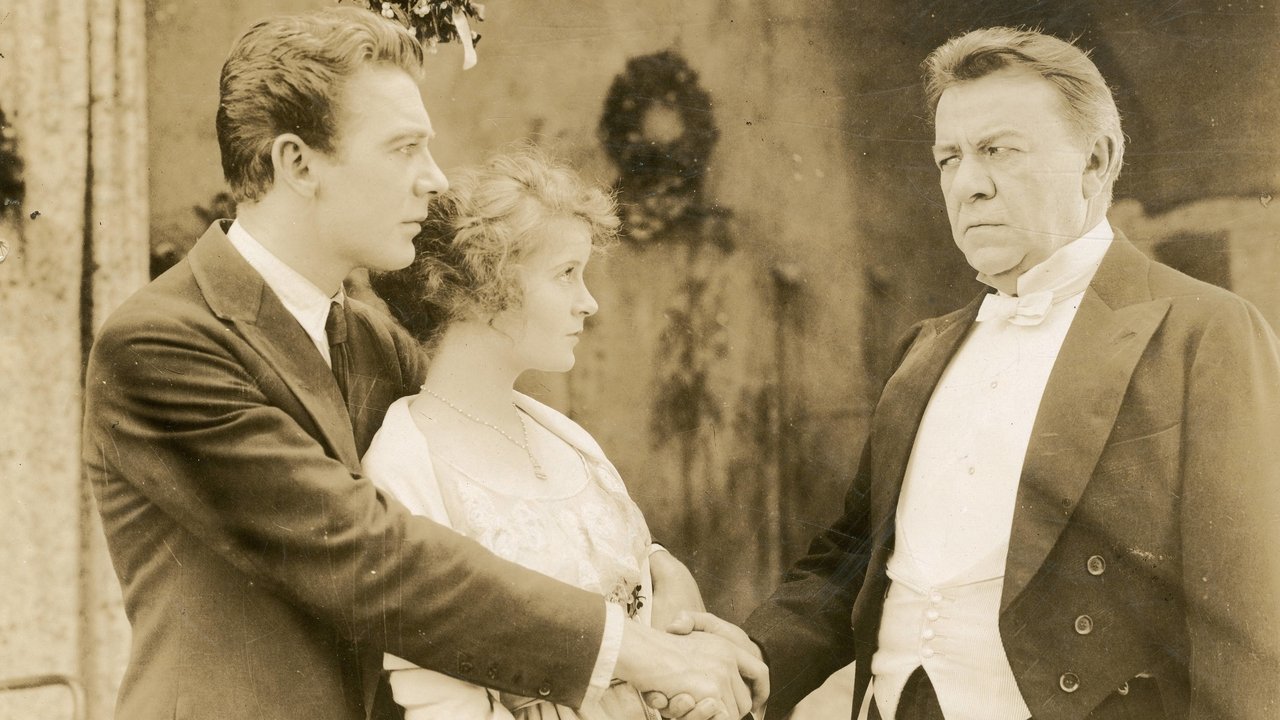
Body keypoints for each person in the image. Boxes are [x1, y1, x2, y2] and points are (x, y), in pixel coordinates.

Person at [81, 8, 764, 720]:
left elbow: (486, 504)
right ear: (298, 164)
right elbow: (366, 554)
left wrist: (661, 581)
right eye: (403, 148)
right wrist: (636, 652)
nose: (433, 179)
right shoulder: (162, 343)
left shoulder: (375, 340)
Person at [722, 26, 1280, 720]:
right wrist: (740, 664)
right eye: (949, 158)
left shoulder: (1204, 331)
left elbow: (1251, 624)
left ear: (1096, 161)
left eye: (999, 151)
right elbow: (854, 556)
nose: (969, 186)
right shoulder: (924, 349)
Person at [361, 148, 714, 720]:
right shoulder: (406, 462)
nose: (588, 303)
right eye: (566, 274)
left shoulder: (566, 440)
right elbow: (435, 698)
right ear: (485, 287)